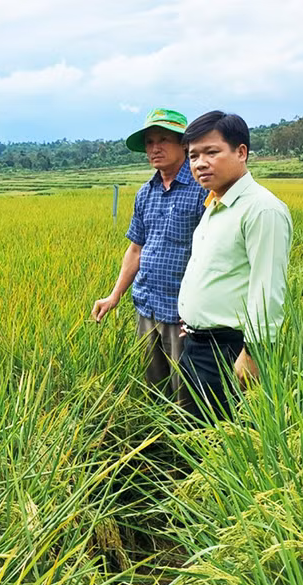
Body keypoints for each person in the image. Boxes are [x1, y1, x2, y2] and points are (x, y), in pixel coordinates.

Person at [177, 111, 293, 421]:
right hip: (197, 345)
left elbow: (267, 290)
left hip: (231, 352)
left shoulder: (262, 209)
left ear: (241, 152)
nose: (200, 163)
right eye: (193, 155)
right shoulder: (216, 203)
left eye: (212, 152)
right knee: (196, 434)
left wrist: (253, 355)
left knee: (221, 441)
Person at [91, 108, 207, 398]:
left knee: (187, 393)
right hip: (147, 306)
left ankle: (188, 442)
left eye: (163, 140)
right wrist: (114, 295)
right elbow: (136, 248)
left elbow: (217, 254)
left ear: (184, 144)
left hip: (185, 314)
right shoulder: (146, 192)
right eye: (149, 142)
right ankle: (155, 442)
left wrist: (202, 311)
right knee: (153, 390)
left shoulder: (203, 189)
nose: (155, 148)